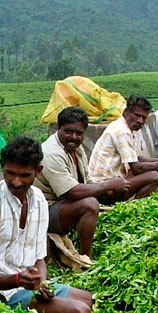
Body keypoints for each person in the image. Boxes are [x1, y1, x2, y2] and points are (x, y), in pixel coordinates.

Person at [0, 136, 94, 313]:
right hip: (0, 295)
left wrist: (41, 284)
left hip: (26, 286)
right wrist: (20, 280)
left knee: (88, 301)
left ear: (38, 171)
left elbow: (39, 259)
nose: (16, 182)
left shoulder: (37, 200)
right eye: (10, 173)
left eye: (25, 175)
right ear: (2, 166)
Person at [35, 106, 129, 256]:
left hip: (62, 204)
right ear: (59, 128)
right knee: (90, 204)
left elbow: (87, 181)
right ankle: (85, 256)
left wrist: (108, 189)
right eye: (68, 131)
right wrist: (107, 185)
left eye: (79, 133)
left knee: (111, 193)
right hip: (44, 209)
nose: (73, 137)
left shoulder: (76, 149)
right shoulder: (51, 153)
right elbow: (71, 192)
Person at [87, 94, 158, 200]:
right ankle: (134, 207)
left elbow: (137, 158)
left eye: (144, 118)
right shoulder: (122, 131)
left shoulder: (125, 127)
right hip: (104, 188)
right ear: (126, 112)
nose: (140, 121)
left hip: (112, 181)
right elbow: (136, 168)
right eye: (137, 115)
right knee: (153, 177)